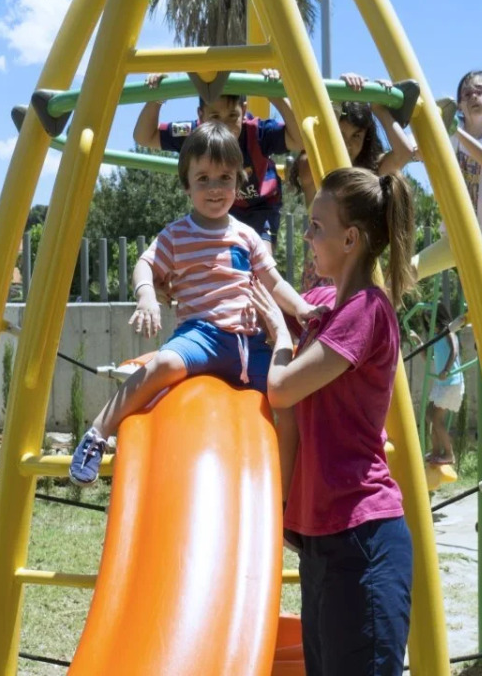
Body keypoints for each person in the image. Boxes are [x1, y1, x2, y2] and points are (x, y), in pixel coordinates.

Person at [69, 122, 321, 487]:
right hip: (201, 335)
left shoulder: (247, 235)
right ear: (186, 184)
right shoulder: (176, 234)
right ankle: (98, 432)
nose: (215, 188)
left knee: (289, 394)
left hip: (249, 343)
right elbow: (145, 264)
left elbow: (275, 282)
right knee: (164, 363)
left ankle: (287, 489)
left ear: (239, 181)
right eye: (203, 179)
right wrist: (147, 297)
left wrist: (302, 309)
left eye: (225, 178)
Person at [244, 167, 417, 676]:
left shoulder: (366, 310)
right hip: (322, 539)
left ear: (350, 239)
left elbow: (282, 387)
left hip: (362, 537)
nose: (306, 236)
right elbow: (266, 300)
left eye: (317, 226)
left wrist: (281, 336)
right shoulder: (326, 304)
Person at [132, 70, 302, 254]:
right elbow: (144, 137)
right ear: (201, 115)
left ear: (244, 111)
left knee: (261, 255)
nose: (224, 126)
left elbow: (300, 139)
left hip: (260, 206)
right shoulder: (195, 134)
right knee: (213, 256)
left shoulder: (258, 132)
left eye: (232, 116)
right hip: (219, 206)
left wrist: (276, 96)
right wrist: (157, 98)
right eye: (215, 117)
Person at [288, 72, 418, 291]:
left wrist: (379, 107)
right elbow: (315, 142)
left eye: (356, 136)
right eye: (340, 134)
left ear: (366, 138)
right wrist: (337, 99)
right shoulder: (315, 166)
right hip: (323, 281)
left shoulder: (368, 177)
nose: (347, 144)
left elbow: (403, 152)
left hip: (359, 278)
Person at [411, 69, 482, 285]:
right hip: (456, 238)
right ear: (460, 106)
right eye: (467, 94)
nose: (473, 97)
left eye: (479, 91)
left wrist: (454, 130)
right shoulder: (452, 134)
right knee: (409, 271)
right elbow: (420, 150)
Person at [423, 302, 464, 466]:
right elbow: (429, 359)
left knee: (436, 418)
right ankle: (435, 451)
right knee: (429, 414)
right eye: (428, 322)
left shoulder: (448, 331)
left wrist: (446, 370)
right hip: (442, 384)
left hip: (451, 382)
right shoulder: (436, 337)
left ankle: (449, 453)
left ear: (439, 318)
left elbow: (454, 350)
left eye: (432, 321)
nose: (431, 325)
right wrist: (418, 342)